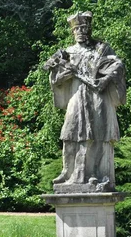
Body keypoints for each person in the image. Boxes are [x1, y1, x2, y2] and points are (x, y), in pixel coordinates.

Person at [44, 11, 126, 193]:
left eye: (83, 28)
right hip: (76, 97)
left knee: (96, 135)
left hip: (97, 99)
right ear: (73, 32)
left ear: (89, 29)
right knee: (69, 133)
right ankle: (68, 172)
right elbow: (56, 80)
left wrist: (104, 79)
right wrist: (62, 70)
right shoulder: (68, 53)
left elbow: (118, 66)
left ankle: (93, 173)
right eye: (77, 29)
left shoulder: (101, 49)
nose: (80, 31)